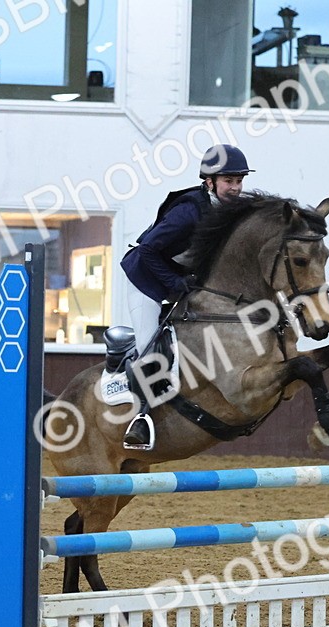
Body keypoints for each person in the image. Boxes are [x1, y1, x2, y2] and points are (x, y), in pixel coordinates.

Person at [116, 144, 253, 450]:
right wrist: (174, 283)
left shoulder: (231, 212)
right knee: (149, 346)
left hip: (181, 277)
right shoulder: (188, 211)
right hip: (146, 278)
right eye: (229, 181)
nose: (235, 187)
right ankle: (141, 418)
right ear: (209, 182)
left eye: (239, 180)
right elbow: (148, 249)